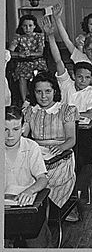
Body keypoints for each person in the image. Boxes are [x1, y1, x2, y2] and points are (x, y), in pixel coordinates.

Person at [41, 15, 92, 217]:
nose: (83, 80)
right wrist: (50, 37)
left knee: (80, 164)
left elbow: (90, 114)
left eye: (87, 78)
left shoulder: (91, 92)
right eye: (80, 76)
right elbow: (57, 59)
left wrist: (68, 113)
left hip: (81, 133)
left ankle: (72, 200)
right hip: (60, 131)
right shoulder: (65, 84)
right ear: (74, 75)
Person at [53, 6, 92, 171]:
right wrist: (58, 19)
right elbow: (66, 40)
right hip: (76, 100)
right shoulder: (80, 58)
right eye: (90, 50)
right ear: (85, 50)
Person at [23, 72, 78, 215]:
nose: (43, 96)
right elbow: (23, 137)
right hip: (37, 156)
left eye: (48, 91)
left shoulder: (66, 110)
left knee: (46, 182)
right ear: (33, 93)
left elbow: (71, 139)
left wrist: (61, 147)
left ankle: (50, 211)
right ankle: (32, 216)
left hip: (60, 158)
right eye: (38, 92)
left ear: (55, 91)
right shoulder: (30, 111)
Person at [4, 105, 53, 248]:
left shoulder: (31, 147)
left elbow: (43, 179)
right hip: (4, 209)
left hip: (27, 208)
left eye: (15, 129)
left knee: (37, 242)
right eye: (5, 129)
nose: (10, 135)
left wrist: (30, 191)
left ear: (23, 128)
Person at [8, 14, 48, 104]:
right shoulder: (18, 37)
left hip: (37, 61)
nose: (27, 28)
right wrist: (19, 54)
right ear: (21, 26)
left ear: (34, 26)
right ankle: (25, 101)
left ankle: (39, 99)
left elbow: (41, 52)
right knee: (22, 76)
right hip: (23, 62)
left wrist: (30, 54)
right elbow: (9, 52)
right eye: (25, 26)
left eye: (30, 26)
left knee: (38, 75)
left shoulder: (39, 36)